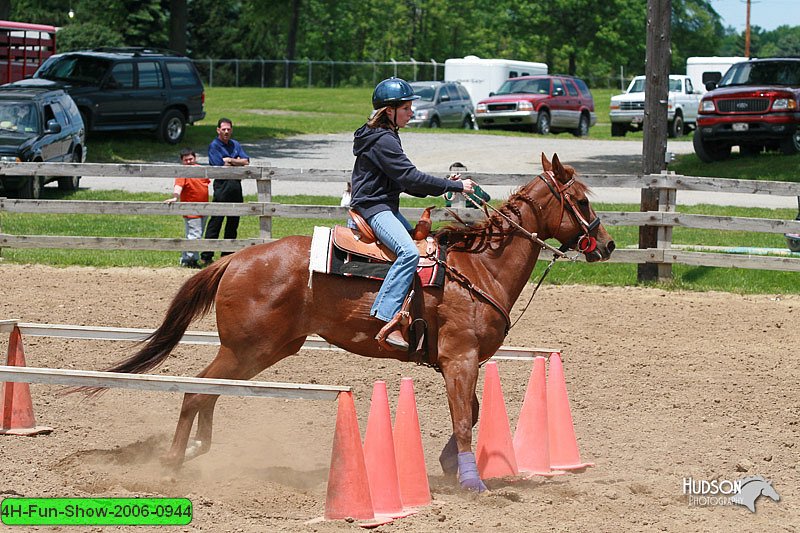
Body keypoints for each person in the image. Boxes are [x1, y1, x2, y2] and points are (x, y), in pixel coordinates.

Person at [350, 77, 475, 350]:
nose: (412, 113)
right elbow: (410, 177)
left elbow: (405, 181)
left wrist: (443, 186)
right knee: (408, 253)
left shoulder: (385, 136)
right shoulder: (383, 139)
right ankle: (385, 318)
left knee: (422, 247)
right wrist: (454, 185)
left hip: (382, 206)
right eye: (406, 108)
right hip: (374, 208)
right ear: (389, 111)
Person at [200, 118, 250, 266]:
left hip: (236, 186)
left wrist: (231, 160)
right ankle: (206, 255)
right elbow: (220, 166)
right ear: (218, 130)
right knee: (216, 220)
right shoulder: (214, 146)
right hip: (222, 186)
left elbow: (246, 161)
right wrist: (235, 161)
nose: (226, 131)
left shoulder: (235, 144)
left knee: (233, 221)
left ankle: (227, 255)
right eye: (223, 129)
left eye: (229, 129)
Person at [164, 148, 210, 269]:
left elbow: (207, 183)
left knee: (196, 234)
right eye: (186, 160)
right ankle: (190, 260)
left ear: (195, 158)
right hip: (191, 209)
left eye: (191, 159)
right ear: (182, 161)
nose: (189, 162)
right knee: (195, 234)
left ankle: (187, 258)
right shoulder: (183, 172)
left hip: (204, 208)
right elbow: (178, 186)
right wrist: (175, 197)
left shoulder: (201, 170)